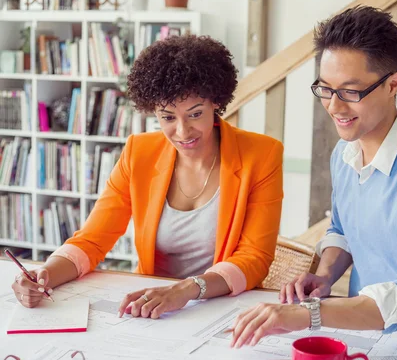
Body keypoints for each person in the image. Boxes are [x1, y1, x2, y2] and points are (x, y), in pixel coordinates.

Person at [229, 5, 397, 349]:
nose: (334, 106)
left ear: (393, 84)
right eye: (326, 89)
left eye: (351, 92)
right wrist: (325, 275)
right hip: (368, 329)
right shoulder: (344, 156)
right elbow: (342, 231)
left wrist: (309, 314)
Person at [12, 35, 284, 319]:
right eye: (168, 117)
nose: (183, 131)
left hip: (223, 308)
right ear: (153, 111)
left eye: (195, 114)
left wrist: (186, 290)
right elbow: (92, 240)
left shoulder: (261, 155)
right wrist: (45, 275)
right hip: (152, 308)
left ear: (216, 102)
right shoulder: (138, 152)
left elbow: (255, 258)